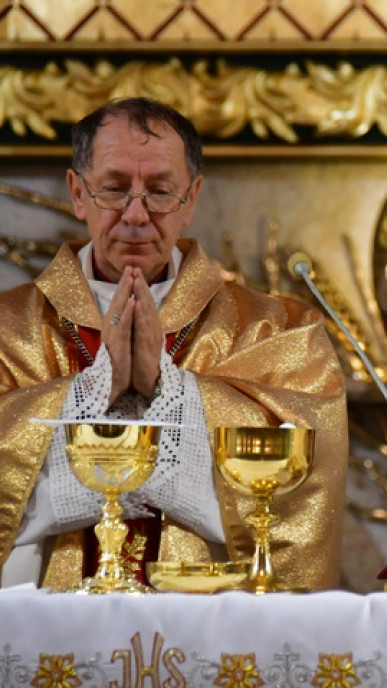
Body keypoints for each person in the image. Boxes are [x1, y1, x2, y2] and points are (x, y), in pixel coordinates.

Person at [0, 98, 348, 591]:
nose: (137, 215)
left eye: (161, 191)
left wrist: (169, 388)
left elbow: (308, 489)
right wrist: (97, 386)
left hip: (209, 631)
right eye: (114, 189)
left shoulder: (277, 329)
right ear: (78, 193)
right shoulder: (7, 330)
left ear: (192, 199)